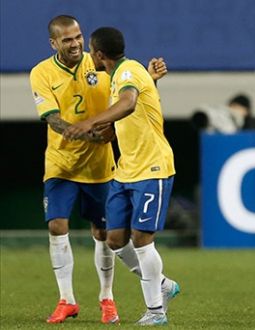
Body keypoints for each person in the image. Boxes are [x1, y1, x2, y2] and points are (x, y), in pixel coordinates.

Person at [29, 15, 169, 324]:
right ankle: (67, 299)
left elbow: (128, 93)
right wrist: (86, 131)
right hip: (61, 164)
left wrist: (150, 79)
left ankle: (107, 298)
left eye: (78, 36)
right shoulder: (41, 73)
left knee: (106, 234)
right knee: (56, 226)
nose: (76, 43)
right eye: (67, 39)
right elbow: (52, 118)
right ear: (54, 43)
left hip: (100, 165)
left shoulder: (101, 63)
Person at [63, 26, 179, 326]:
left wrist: (90, 122)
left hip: (152, 167)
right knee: (115, 240)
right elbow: (134, 105)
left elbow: (128, 104)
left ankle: (156, 311)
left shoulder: (128, 72)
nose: (89, 54)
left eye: (90, 49)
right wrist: (107, 131)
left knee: (142, 238)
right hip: (125, 169)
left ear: (99, 54)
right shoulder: (121, 76)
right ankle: (163, 284)